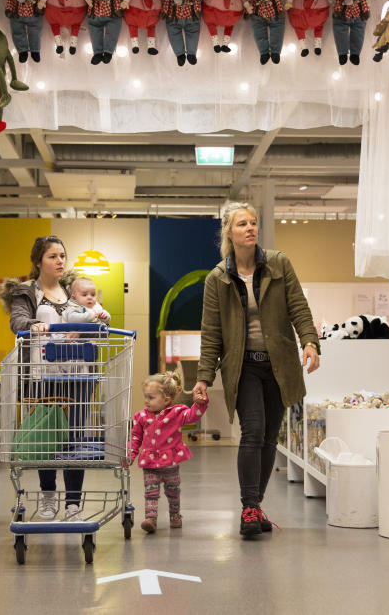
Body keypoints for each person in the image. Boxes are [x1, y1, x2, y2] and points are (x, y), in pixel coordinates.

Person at [193, 202, 320, 539]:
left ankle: (256, 505)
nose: (250, 228)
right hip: (243, 366)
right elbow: (212, 333)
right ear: (229, 233)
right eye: (242, 224)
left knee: (268, 438)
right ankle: (248, 506)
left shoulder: (278, 263)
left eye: (253, 223)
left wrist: (309, 341)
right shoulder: (217, 278)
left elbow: (299, 308)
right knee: (253, 431)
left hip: (280, 365)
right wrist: (204, 377)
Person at [2, 235, 85, 521]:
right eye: (53, 256)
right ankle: (48, 496)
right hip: (42, 375)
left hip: (77, 373)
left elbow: (91, 314)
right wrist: (36, 325)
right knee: (46, 437)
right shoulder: (27, 291)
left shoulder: (73, 290)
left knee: (74, 437)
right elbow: (18, 321)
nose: (60, 260)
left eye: (62, 255)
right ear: (38, 262)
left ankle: (73, 503)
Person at [129, 370, 207, 533]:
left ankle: (175, 515)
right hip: (150, 463)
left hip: (170, 463)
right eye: (146, 396)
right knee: (151, 493)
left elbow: (193, 416)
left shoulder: (177, 413)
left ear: (166, 399)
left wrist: (199, 404)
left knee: (173, 492)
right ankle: (151, 519)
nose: (146, 401)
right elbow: (136, 436)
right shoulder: (141, 416)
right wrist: (131, 453)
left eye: (151, 397)